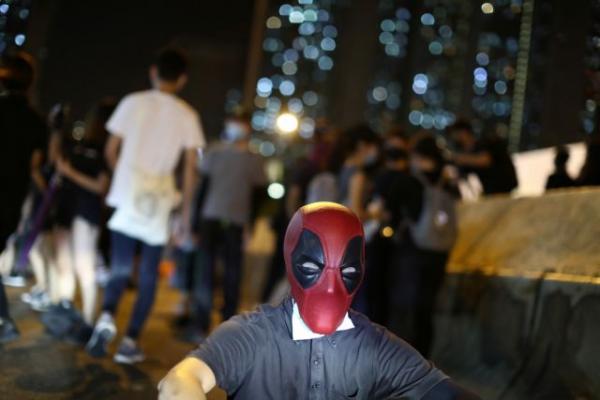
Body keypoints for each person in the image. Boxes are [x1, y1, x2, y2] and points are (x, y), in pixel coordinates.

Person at [158, 202, 479, 400]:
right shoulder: (252, 334)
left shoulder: (374, 346)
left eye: (347, 271)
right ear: (291, 259)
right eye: (313, 268)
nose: (329, 287)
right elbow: (181, 380)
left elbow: (443, 392)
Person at [85, 48, 205, 363]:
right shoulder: (188, 116)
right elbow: (190, 171)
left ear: (153, 72)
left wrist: (124, 177)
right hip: (160, 201)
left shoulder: (132, 102)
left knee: (120, 265)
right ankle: (130, 341)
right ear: (182, 80)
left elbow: (111, 150)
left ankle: (107, 316)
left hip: (127, 194)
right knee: (149, 273)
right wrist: (185, 216)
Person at [44, 99, 114, 340]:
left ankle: (88, 322)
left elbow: (101, 187)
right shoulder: (78, 144)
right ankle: (67, 315)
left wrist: (70, 173)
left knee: (85, 268)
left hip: (85, 211)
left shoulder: (105, 152)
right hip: (65, 208)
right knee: (64, 264)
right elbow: (55, 160)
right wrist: (56, 129)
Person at [194, 111, 266, 336]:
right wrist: (194, 222)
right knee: (205, 271)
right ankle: (201, 321)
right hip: (210, 217)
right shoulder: (215, 152)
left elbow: (259, 196)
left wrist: (251, 225)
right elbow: (202, 187)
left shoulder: (254, 159)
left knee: (232, 273)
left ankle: (227, 322)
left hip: (237, 220)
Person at [387, 133, 460, 357]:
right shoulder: (448, 183)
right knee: (426, 308)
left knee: (406, 305)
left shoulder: (410, 181)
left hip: (414, 250)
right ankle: (423, 357)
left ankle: (400, 357)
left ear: (417, 156)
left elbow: (393, 209)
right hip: (440, 252)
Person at [0, 51, 48, 342]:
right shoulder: (35, 121)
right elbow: (34, 167)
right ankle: (3, 319)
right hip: (11, 200)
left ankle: (4, 319)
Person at [449, 120, 517, 195]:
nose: (456, 139)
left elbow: (485, 160)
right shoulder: (473, 150)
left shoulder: (485, 143)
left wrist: (462, 158)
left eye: (457, 135)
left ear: (464, 133)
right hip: (492, 191)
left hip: (502, 187)